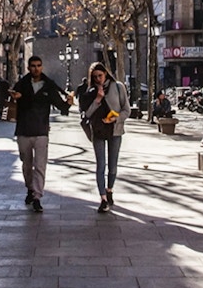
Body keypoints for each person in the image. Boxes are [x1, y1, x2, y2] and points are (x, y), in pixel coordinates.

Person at [10, 55, 74, 213]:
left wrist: (69, 103)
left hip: (41, 131)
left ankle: (37, 196)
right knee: (26, 164)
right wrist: (15, 98)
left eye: (39, 65)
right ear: (28, 67)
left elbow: (61, 106)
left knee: (40, 165)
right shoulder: (22, 84)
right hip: (24, 130)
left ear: (42, 67)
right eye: (33, 65)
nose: (36, 68)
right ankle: (30, 189)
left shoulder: (48, 86)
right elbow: (8, 102)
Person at [79, 62, 130, 213]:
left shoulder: (118, 87)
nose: (98, 79)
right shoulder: (91, 91)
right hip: (99, 131)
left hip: (115, 130)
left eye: (100, 76)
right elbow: (86, 114)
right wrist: (97, 100)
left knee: (112, 165)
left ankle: (109, 190)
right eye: (94, 77)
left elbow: (126, 110)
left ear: (106, 74)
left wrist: (116, 118)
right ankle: (102, 199)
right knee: (100, 165)